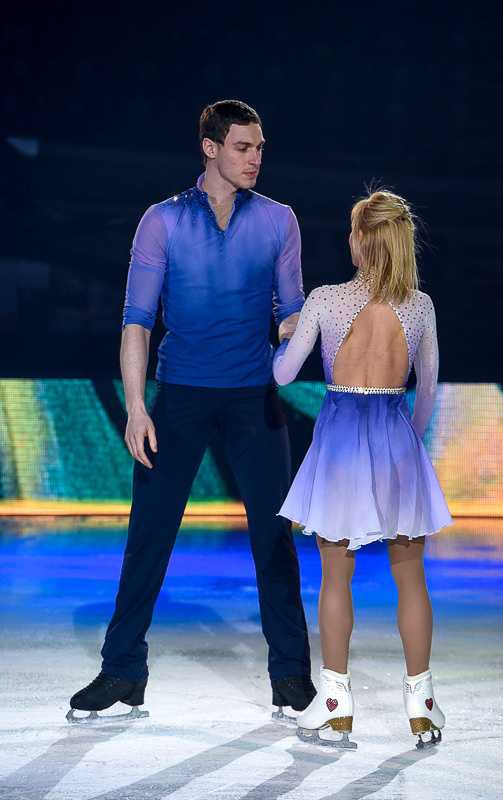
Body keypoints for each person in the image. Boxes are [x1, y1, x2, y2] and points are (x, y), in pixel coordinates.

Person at [68, 100, 316, 723]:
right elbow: (136, 323)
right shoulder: (162, 221)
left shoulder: (280, 221)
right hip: (178, 395)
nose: (256, 159)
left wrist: (316, 324)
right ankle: (123, 670)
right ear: (210, 148)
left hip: (253, 397)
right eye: (243, 148)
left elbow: (289, 314)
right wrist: (134, 407)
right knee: (148, 536)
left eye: (260, 148)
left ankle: (290, 676)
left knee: (273, 539)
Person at [272, 189, 453, 749]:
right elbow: (427, 392)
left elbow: (282, 377)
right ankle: (421, 707)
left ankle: (334, 707)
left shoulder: (325, 301)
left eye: (352, 231)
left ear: (361, 240)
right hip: (396, 437)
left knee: (335, 575)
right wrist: (407, 445)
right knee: (410, 577)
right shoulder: (420, 306)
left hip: (343, 445)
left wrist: (287, 331)